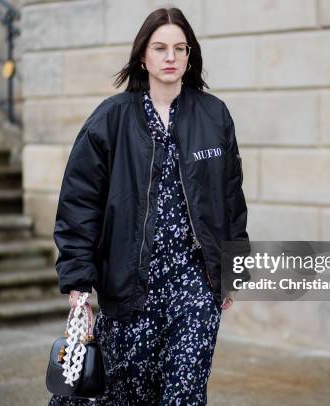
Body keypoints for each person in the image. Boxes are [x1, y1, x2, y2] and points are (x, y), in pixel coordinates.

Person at [48, 6, 250, 406]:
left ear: (190, 55)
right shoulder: (111, 118)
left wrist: (233, 272)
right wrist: (78, 288)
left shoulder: (214, 115)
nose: (170, 57)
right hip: (130, 282)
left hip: (194, 284)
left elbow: (231, 199)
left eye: (179, 48)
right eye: (160, 48)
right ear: (144, 55)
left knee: (185, 393)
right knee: (122, 392)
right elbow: (79, 203)